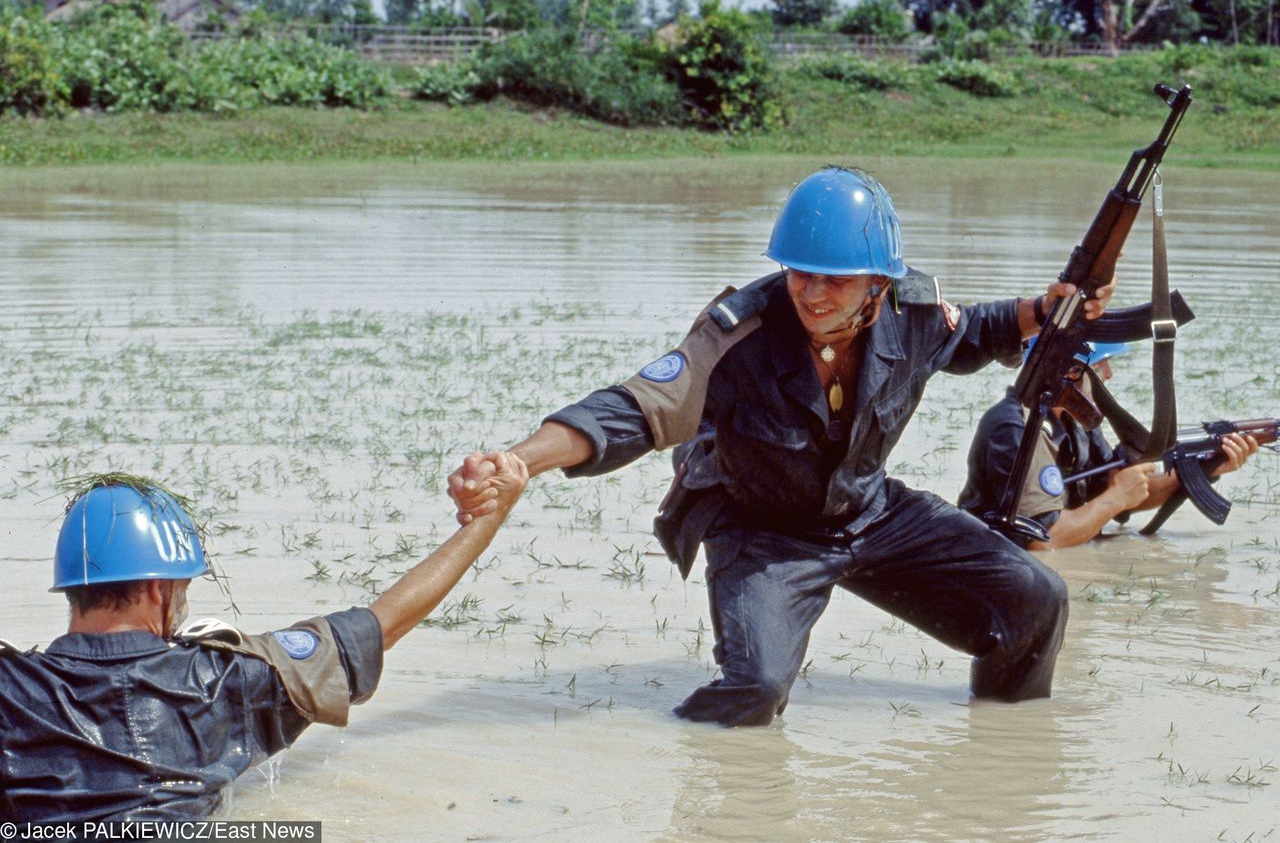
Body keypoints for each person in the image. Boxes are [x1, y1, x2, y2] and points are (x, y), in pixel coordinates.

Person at [449, 166, 1115, 727]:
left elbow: (974, 332)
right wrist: (518, 462)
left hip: (870, 514)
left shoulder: (914, 312)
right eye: (801, 273)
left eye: (837, 279)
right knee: (756, 690)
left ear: (878, 285)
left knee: (1036, 600)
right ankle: (693, 750)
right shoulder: (737, 331)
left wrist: (1045, 306)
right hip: (762, 531)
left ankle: (1002, 752)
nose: (813, 293)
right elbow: (636, 407)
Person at [0, 457, 527, 821]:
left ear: (72, 588)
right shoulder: (230, 679)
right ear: (160, 590)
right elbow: (382, 623)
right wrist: (488, 518)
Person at [958, 342, 1261, 549]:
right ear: (1071, 373)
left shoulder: (1073, 421)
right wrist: (1117, 496)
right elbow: (1044, 539)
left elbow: (1117, 492)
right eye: (1101, 367)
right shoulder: (1021, 427)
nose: (1109, 375)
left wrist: (1201, 467)